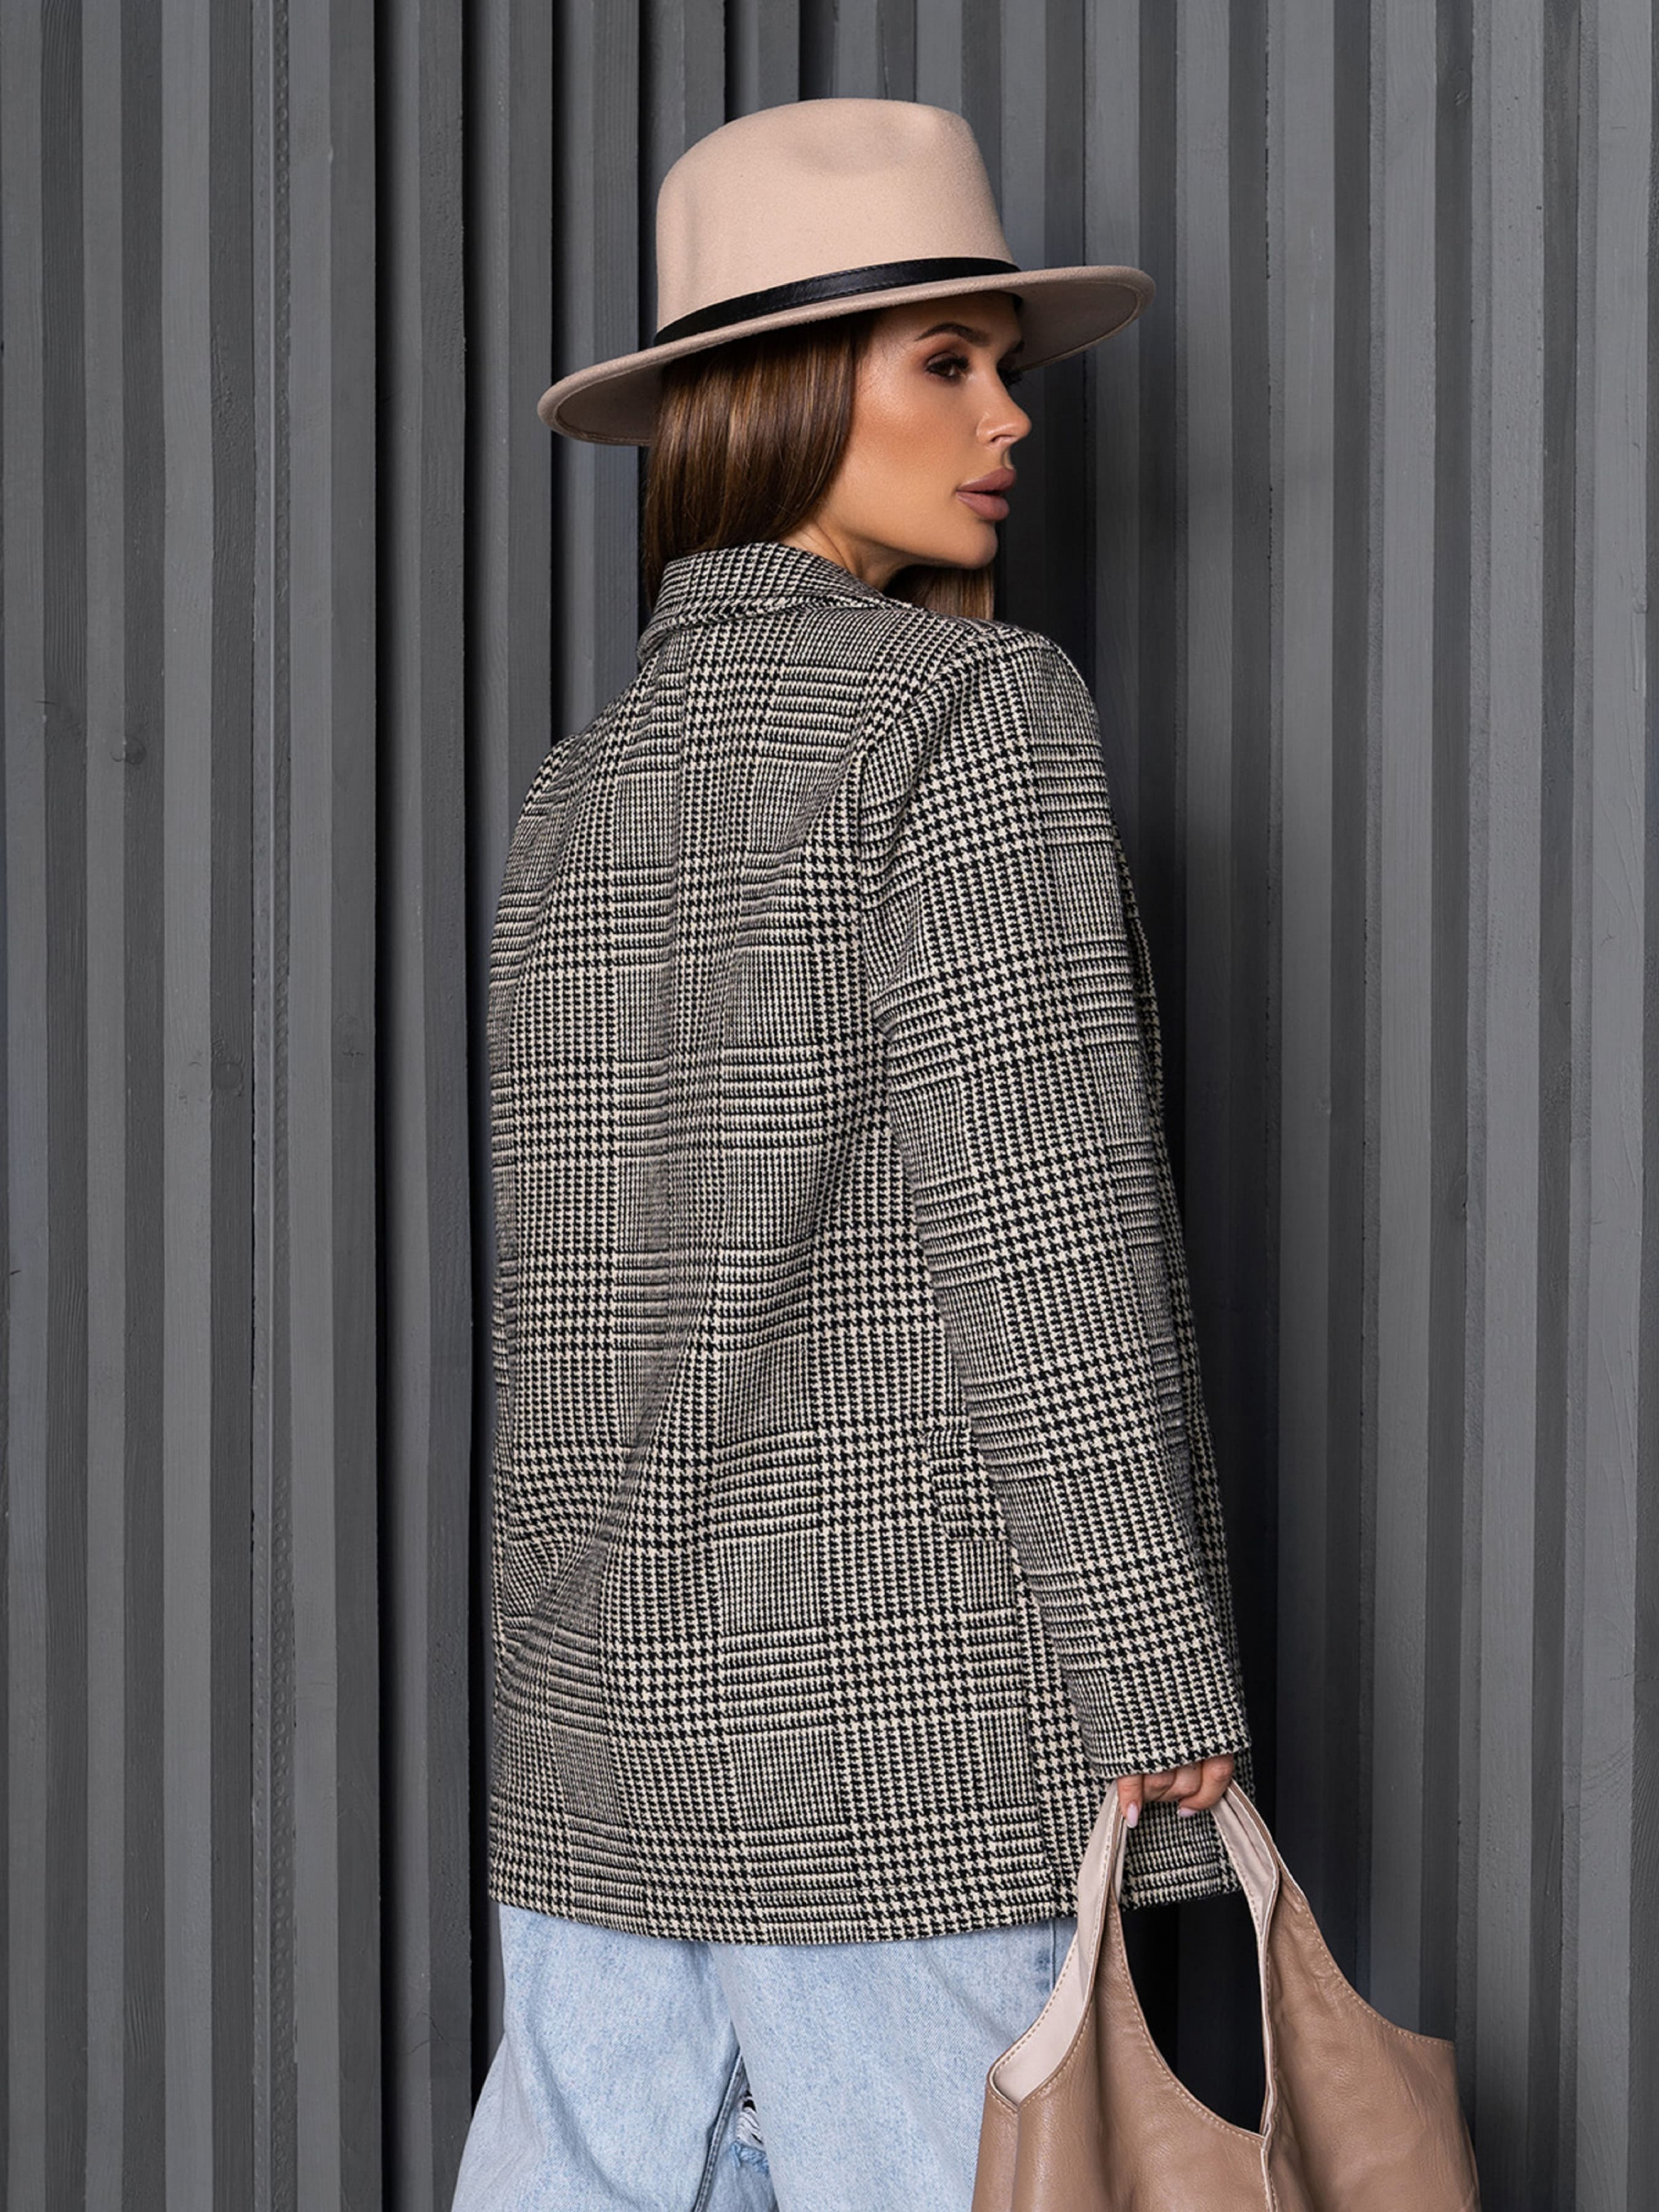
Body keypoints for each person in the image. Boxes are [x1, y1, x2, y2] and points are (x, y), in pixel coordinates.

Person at [451, 96, 1253, 2212]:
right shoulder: (969, 718)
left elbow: (571, 1303)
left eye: (1005, 365)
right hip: (891, 1756)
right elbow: (1042, 1233)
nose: (1010, 418)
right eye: (947, 361)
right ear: (788, 391)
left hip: (595, 1744)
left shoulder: (581, 785)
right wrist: (1152, 1662)